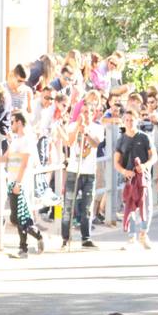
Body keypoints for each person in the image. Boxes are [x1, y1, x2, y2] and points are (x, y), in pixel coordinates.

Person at [61, 96, 100, 250]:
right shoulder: (72, 126)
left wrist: (87, 132)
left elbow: (95, 143)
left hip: (89, 172)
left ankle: (86, 237)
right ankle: (65, 237)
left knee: (87, 207)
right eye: (82, 112)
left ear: (93, 114)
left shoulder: (97, 128)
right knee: (68, 206)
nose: (85, 115)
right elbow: (69, 142)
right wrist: (78, 127)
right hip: (73, 170)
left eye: (88, 112)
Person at [4, 111, 44, 258]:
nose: (11, 125)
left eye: (13, 122)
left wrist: (18, 183)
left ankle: (25, 247)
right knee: (16, 217)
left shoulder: (27, 140)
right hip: (12, 179)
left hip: (20, 181)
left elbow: (25, 163)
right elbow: (7, 157)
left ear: (19, 122)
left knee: (20, 216)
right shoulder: (16, 140)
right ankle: (31, 241)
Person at [114, 108, 153, 250]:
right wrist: (124, 171)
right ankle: (131, 237)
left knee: (146, 206)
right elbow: (116, 161)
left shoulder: (144, 137)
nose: (129, 123)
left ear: (137, 121)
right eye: (127, 120)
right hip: (129, 179)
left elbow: (153, 156)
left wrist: (145, 166)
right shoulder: (121, 140)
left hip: (143, 177)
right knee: (129, 207)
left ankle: (144, 233)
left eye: (132, 120)